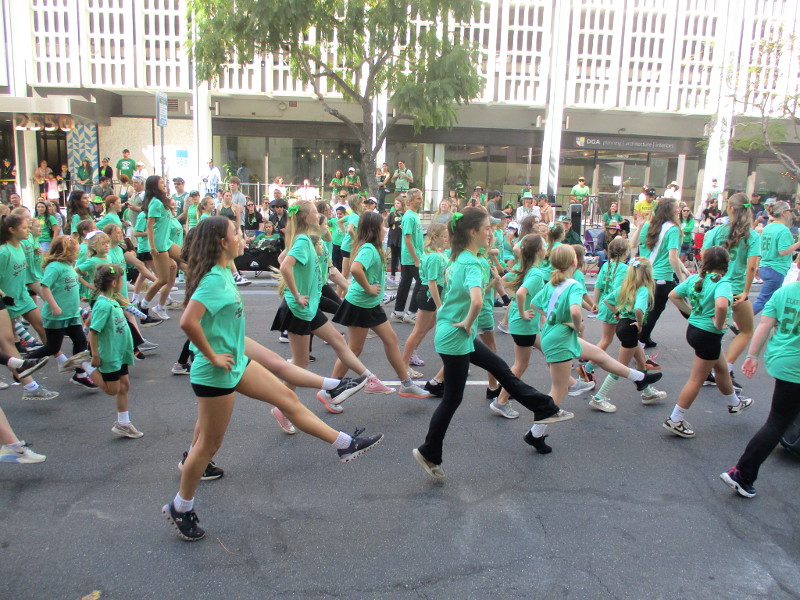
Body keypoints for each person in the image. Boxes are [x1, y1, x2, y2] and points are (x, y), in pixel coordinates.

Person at [163, 216, 383, 542]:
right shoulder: (213, 280)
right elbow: (187, 321)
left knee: (287, 398)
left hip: (235, 360)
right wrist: (212, 355)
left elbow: (216, 322)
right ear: (222, 243)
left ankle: (344, 444)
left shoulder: (222, 272)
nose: (242, 237)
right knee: (209, 444)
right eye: (236, 233)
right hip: (216, 373)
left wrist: (230, 347)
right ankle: (181, 506)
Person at [412, 208, 571, 479]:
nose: (491, 233)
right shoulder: (472, 263)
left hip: (455, 333)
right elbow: (475, 300)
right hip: (455, 336)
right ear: (473, 232)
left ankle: (545, 408)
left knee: (500, 368)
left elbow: (467, 294)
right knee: (453, 398)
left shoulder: (461, 257)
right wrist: (467, 322)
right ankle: (429, 452)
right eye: (487, 228)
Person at [527, 244, 662, 453]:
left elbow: (535, 304)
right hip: (560, 338)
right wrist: (576, 325)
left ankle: (640, 378)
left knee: (599, 355)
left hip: (554, 334)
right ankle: (535, 434)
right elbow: (575, 310)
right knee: (559, 389)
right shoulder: (573, 285)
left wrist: (553, 317)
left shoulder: (553, 283)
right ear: (574, 262)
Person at [330, 211, 429, 398]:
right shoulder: (368, 248)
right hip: (360, 304)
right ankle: (330, 388)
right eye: (383, 226)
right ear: (374, 229)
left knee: (390, 339)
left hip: (370, 305)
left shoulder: (373, 248)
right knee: (354, 349)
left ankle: (406, 384)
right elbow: (355, 269)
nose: (386, 229)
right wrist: (368, 288)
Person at [720, 279, 800, 498]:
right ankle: (743, 472)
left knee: (779, 419)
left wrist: (752, 355)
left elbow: (764, 325)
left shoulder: (783, 292)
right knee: (777, 422)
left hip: (783, 360)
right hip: (795, 367)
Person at [665, 246, 751, 439]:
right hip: (708, 335)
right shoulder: (722, 283)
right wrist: (719, 324)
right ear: (725, 264)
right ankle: (675, 418)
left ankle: (735, 403)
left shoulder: (695, 279)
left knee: (721, 368)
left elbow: (673, 295)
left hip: (695, 331)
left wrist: (690, 312)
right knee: (697, 379)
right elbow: (721, 305)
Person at [701, 192, 762, 392]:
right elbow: (752, 266)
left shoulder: (716, 232)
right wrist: (746, 291)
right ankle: (725, 369)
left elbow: (704, 256)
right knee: (746, 331)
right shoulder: (752, 236)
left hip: (714, 285)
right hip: (735, 288)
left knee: (713, 330)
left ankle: (711, 370)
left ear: (730, 208)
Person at [590, 257, 666, 412]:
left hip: (622, 325)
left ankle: (647, 392)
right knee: (621, 367)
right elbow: (638, 310)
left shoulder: (625, 287)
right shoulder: (643, 290)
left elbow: (607, 300)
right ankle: (599, 397)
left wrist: (618, 313)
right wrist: (640, 323)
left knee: (641, 361)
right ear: (648, 273)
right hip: (631, 328)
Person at [634, 197, 689, 349]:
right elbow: (672, 257)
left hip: (648, 273)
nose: (679, 210)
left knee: (651, 307)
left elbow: (637, 245)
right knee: (657, 309)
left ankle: (643, 337)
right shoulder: (673, 230)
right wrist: (681, 277)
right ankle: (641, 339)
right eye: (676, 207)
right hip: (663, 275)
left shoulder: (650, 226)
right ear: (669, 210)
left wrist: (683, 269)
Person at [400, 222, 448, 382]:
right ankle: (404, 365)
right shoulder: (433, 256)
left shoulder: (435, 253)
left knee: (429, 324)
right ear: (435, 237)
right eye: (444, 236)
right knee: (418, 330)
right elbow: (432, 283)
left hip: (430, 293)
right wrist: (440, 305)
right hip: (429, 294)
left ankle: (411, 353)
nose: (447, 239)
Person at [753, 201, 800, 314]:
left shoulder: (768, 228)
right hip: (776, 268)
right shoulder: (783, 230)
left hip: (765, 266)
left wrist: (757, 266)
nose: (791, 213)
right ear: (784, 213)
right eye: (789, 211)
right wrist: (798, 243)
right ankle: (740, 321)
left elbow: (760, 249)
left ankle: (773, 321)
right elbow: (783, 251)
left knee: (773, 300)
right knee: (764, 300)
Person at [391, 189, 424, 323]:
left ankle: (398, 311)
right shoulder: (409, 217)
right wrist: (416, 258)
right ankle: (411, 312)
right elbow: (408, 240)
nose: (421, 201)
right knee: (421, 282)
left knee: (405, 283)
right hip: (411, 257)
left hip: (412, 256)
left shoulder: (414, 215)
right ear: (410, 201)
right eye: (418, 198)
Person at [386, 198, 404, 285]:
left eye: (398, 203)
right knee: (394, 257)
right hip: (393, 238)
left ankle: (402, 275)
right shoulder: (392, 214)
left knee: (402, 258)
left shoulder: (405, 214)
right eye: (395, 203)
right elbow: (388, 224)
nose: (396, 205)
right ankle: (393, 275)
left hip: (401, 239)